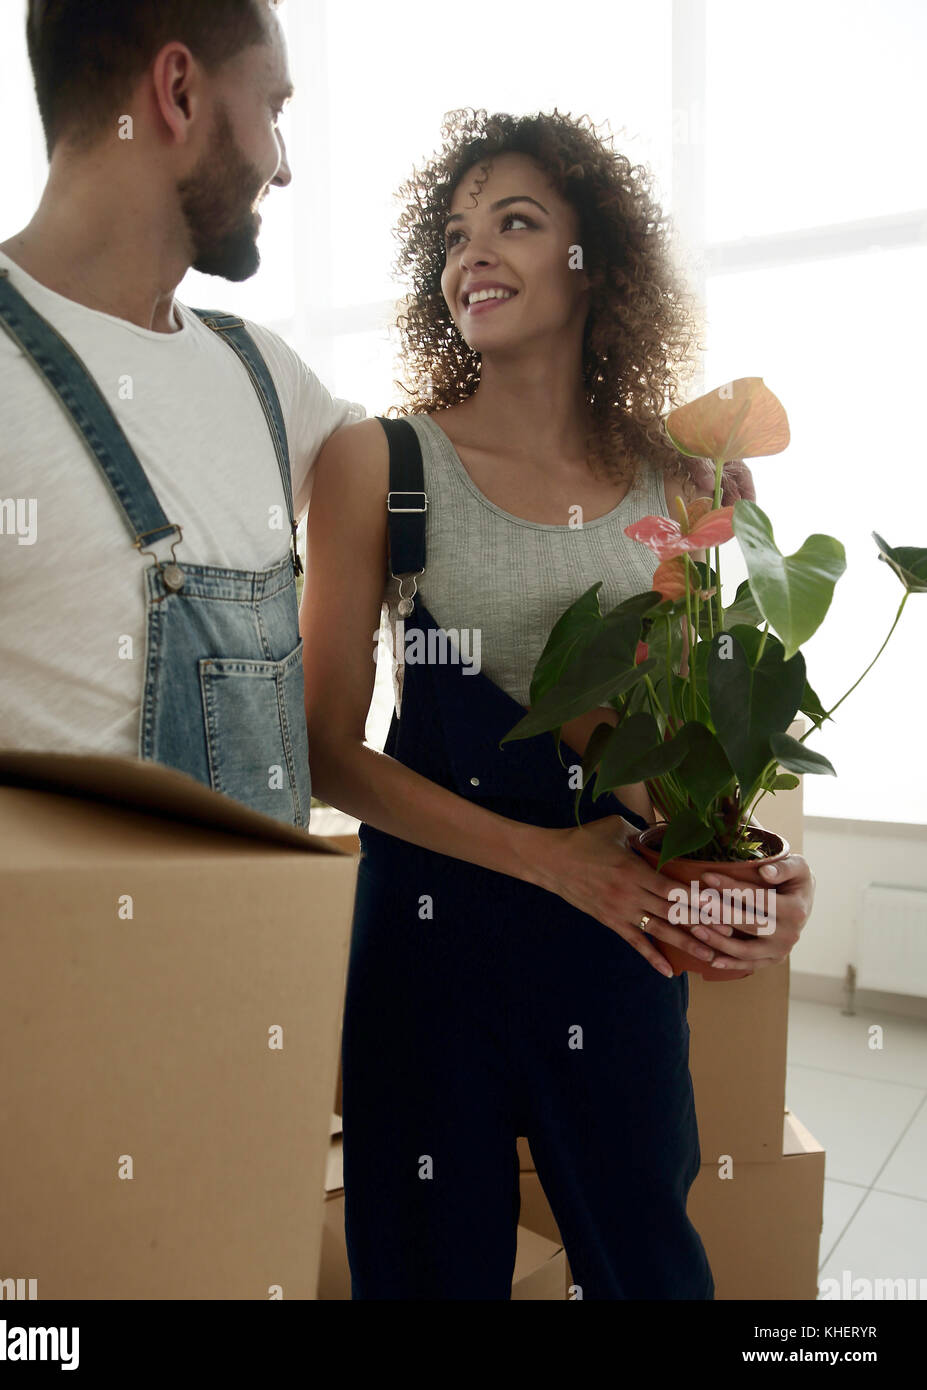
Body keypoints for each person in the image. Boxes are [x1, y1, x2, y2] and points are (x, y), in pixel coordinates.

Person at [300, 109, 816, 1299]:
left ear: (600, 263)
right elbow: (327, 750)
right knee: (427, 1270)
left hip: (616, 943)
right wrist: (556, 861)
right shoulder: (382, 462)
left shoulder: (679, 479)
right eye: (455, 232)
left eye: (516, 222)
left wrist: (754, 877)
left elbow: (674, 754)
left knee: (646, 1262)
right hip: (429, 944)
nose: (471, 252)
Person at [0, 0, 362, 827]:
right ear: (178, 92)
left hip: (278, 951)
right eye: (273, 108)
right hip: (74, 954)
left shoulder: (264, 373)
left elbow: (447, 475)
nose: (283, 166)